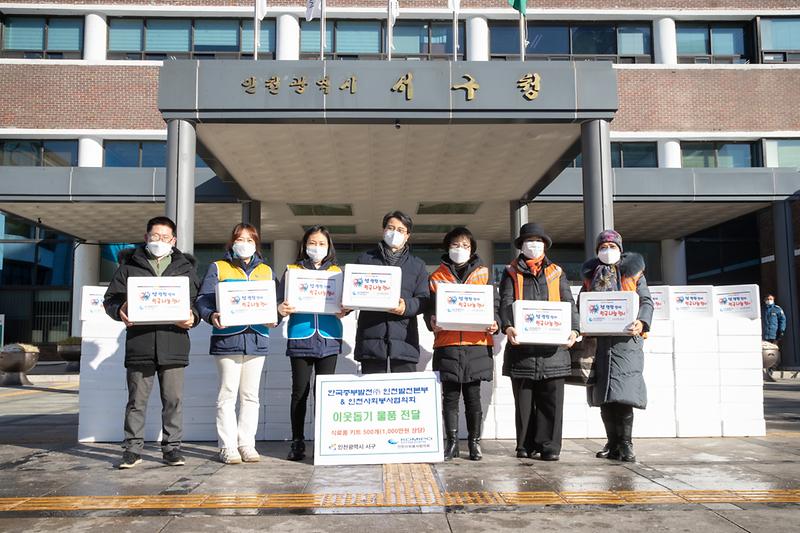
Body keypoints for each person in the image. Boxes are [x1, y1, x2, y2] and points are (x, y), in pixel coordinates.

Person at [103, 216, 200, 469]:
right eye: (155, 236)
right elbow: (110, 300)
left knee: (173, 400)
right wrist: (119, 310)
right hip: (140, 344)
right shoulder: (128, 267)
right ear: (146, 237)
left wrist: (194, 317)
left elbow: (197, 302)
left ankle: (172, 449)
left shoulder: (184, 267)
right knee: (136, 401)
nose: (159, 241)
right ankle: (132, 450)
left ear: (173, 240)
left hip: (174, 342)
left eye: (165, 237)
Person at [195, 223, 275, 465]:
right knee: (227, 394)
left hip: (257, 337)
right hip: (227, 338)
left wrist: (276, 317)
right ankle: (228, 446)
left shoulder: (267, 271)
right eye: (240, 239)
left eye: (250, 240)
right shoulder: (218, 267)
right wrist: (211, 315)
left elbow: (276, 302)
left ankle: (246, 444)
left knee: (251, 396)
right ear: (232, 242)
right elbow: (203, 299)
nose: (244, 244)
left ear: (256, 244)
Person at [499, 223, 579, 461]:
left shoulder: (557, 271)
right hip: (522, 350)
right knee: (524, 404)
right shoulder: (510, 271)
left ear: (544, 245)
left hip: (553, 351)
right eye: (528, 241)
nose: (533, 245)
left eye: (538, 241)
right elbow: (505, 302)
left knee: (551, 402)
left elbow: (568, 302)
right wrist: (507, 325)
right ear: (521, 246)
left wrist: (574, 329)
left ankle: (550, 447)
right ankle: (524, 445)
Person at [425, 227, 499, 461]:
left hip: (476, 343)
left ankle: (474, 443)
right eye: (456, 245)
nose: (460, 250)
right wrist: (432, 321)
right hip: (447, 343)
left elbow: (495, 306)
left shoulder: (484, 274)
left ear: (473, 249)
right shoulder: (436, 276)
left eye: (465, 246)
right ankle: (452, 443)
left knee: (473, 396)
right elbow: (429, 310)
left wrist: (495, 322)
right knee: (449, 397)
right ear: (448, 247)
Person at [580, 229, 653, 463]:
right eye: (603, 247)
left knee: (624, 397)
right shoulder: (591, 276)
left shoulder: (634, 274)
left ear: (620, 250)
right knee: (604, 398)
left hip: (626, 344)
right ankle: (611, 442)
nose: (607, 251)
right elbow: (582, 304)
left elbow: (646, 301)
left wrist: (642, 322)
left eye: (612, 247)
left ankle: (626, 444)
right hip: (599, 344)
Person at [277, 225, 347, 462]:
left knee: (325, 393)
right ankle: (297, 441)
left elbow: (347, 303)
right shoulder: (293, 271)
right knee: (300, 392)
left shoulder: (337, 272)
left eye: (321, 244)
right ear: (304, 245)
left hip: (329, 336)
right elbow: (278, 301)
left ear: (329, 247)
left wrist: (345, 310)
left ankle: (325, 441)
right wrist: (281, 308)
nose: (316, 248)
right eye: (312, 243)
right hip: (301, 335)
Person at [352, 211, 430, 374]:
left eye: (401, 230)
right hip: (371, 338)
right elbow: (352, 292)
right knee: (372, 393)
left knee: (404, 394)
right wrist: (345, 307)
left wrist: (406, 306)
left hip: (404, 340)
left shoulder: (418, 265)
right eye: (391, 228)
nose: (395, 233)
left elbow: (424, 299)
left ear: (407, 235)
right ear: (383, 230)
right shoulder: (365, 260)